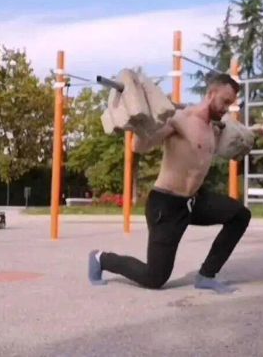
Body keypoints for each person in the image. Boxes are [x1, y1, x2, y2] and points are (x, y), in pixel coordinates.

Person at [88, 74, 252, 294]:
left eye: (230, 104)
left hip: (195, 201)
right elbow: (141, 146)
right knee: (155, 278)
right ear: (211, 94)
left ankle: (206, 274)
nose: (226, 108)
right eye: (224, 101)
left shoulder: (215, 128)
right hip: (166, 206)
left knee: (240, 215)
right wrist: (141, 124)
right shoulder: (179, 119)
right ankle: (101, 259)